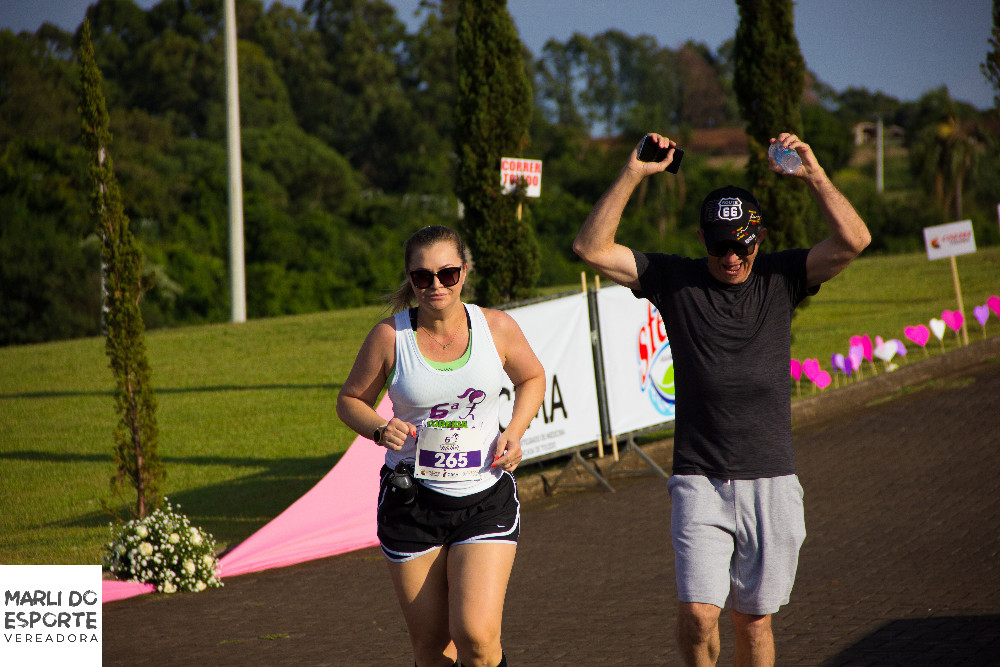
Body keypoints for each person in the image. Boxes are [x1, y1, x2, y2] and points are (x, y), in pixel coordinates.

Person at [573, 133, 871, 666]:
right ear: (701, 238)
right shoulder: (674, 279)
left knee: (753, 621)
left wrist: (814, 175)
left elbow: (853, 241)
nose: (731, 256)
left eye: (742, 245)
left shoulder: (783, 275)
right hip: (699, 478)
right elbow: (591, 249)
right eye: (718, 245)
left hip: (771, 478)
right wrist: (634, 174)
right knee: (699, 615)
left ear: (759, 238)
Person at [337, 225, 546, 667]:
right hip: (411, 503)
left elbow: (532, 378)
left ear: (464, 273)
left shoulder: (496, 327)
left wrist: (516, 430)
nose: (436, 285)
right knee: (433, 649)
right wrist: (379, 429)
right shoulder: (390, 337)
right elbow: (349, 401)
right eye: (423, 277)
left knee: (477, 638)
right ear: (410, 280)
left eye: (447, 274)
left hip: (484, 497)